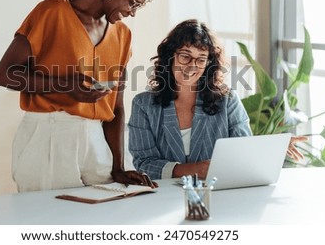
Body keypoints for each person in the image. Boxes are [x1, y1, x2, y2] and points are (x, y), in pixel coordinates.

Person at [0, 0, 173, 192]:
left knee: (102, 222)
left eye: (139, 7)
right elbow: (5, 74)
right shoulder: (52, 12)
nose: (133, 12)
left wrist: (118, 167)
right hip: (49, 135)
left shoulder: (122, 35)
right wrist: (65, 86)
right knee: (49, 223)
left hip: (95, 140)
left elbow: (116, 109)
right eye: (132, 2)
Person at [128, 19, 306, 180]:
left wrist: (273, 146)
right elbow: (144, 163)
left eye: (201, 59)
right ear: (170, 57)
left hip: (217, 195)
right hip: (162, 199)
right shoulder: (143, 105)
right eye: (185, 56)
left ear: (208, 64)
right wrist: (192, 169)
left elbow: (242, 151)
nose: (192, 65)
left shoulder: (227, 101)